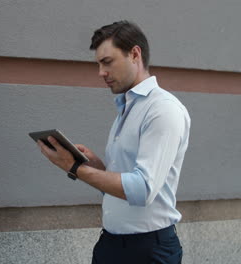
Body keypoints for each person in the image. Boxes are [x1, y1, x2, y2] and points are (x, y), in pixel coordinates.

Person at [36, 21, 190, 263]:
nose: (101, 72)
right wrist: (96, 166)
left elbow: (142, 189)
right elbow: (123, 184)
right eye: (98, 64)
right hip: (111, 244)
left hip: (148, 251)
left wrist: (75, 167)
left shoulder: (162, 109)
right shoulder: (127, 107)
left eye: (107, 62)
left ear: (135, 54)